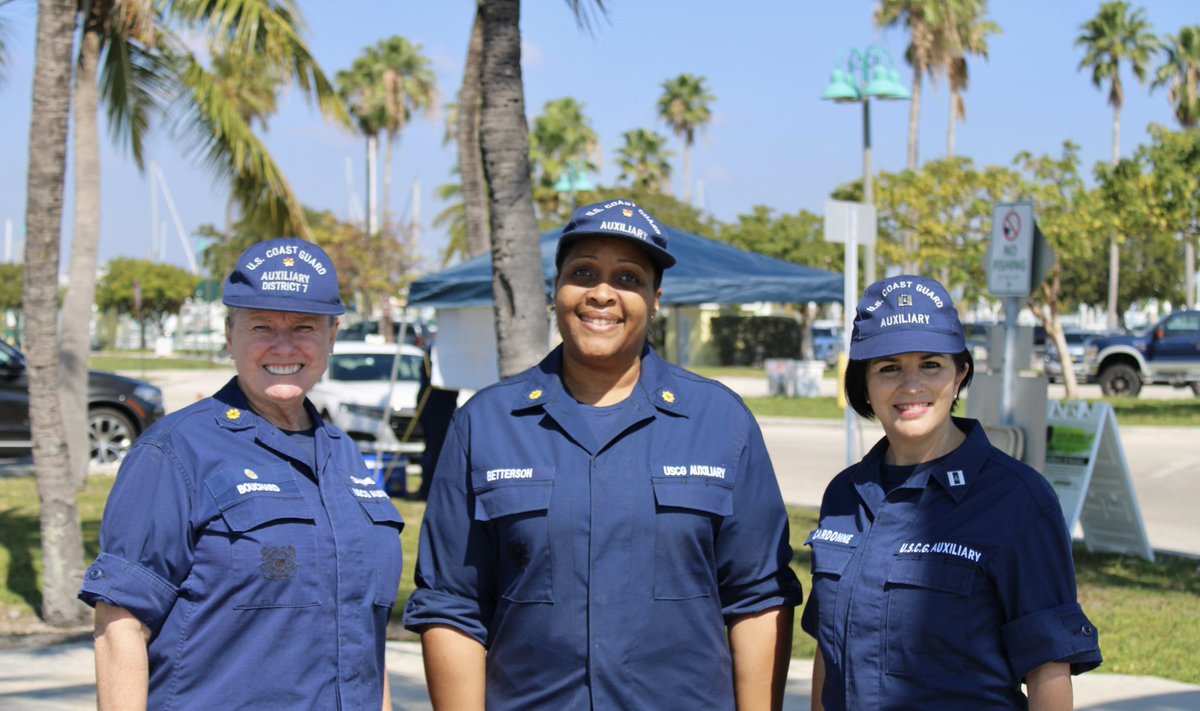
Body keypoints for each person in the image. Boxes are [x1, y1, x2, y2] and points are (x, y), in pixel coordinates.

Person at [403, 199, 803, 710]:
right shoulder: (485, 425)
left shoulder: (719, 422)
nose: (601, 293)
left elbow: (757, 597)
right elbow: (451, 604)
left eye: (629, 278)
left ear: (655, 300)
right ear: (556, 291)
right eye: (583, 272)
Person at [79, 238, 404, 710]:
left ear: (332, 335)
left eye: (304, 327)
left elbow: (362, 630)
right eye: (262, 326)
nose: (284, 345)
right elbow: (120, 626)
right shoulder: (175, 451)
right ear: (230, 335)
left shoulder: (345, 456)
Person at [802, 275, 1102, 710]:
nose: (910, 386)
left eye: (930, 364)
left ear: (960, 374)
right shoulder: (844, 496)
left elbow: (1048, 670)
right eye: (888, 368)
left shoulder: (1017, 501)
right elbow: (829, 653)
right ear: (863, 382)